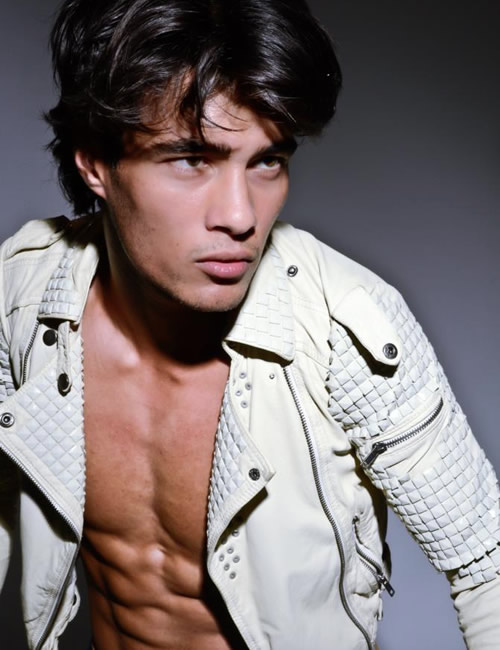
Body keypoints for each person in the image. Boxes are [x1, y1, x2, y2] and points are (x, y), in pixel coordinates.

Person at [0, 0, 498, 648]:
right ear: (94, 162)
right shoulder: (24, 299)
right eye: (191, 159)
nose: (241, 216)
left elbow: (486, 562)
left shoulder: (345, 332)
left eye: (267, 161)